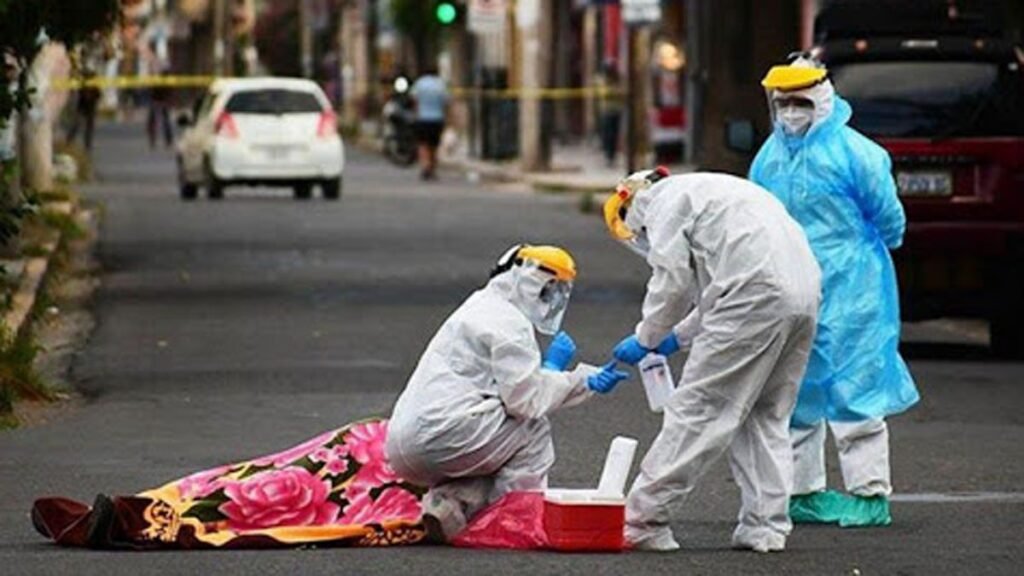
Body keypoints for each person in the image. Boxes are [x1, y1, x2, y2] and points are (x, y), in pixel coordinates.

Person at [603, 168, 822, 552]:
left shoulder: (664, 204)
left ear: (630, 204)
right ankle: (765, 527)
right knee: (765, 414)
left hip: (753, 299)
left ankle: (643, 521)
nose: (641, 239)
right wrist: (676, 337)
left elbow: (674, 282)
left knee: (698, 412)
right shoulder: (714, 191)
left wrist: (647, 337)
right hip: (802, 299)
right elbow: (722, 285)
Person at [749, 57, 919, 528]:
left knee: (855, 388)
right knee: (797, 389)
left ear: (822, 100)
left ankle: (868, 494)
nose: (790, 113)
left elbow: (889, 219)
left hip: (854, 289)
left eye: (800, 103)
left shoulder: (857, 153)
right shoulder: (770, 156)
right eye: (782, 104)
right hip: (793, 285)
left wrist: (859, 260)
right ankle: (802, 491)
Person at [386, 244, 629, 542]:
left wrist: (570, 378)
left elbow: (502, 396)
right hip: (444, 437)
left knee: (499, 441)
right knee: (531, 430)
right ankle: (511, 522)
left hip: (406, 445)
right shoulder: (510, 324)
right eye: (546, 291)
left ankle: (449, 506)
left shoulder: (479, 306)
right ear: (526, 280)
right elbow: (525, 404)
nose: (548, 301)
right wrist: (578, 379)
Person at [410, 67, 448, 180]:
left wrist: (416, 113)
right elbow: (446, 102)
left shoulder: (420, 83)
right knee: (434, 146)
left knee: (423, 144)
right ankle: (433, 168)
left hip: (423, 118)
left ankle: (425, 166)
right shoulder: (440, 84)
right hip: (437, 119)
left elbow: (414, 99)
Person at [596, 62, 624, 167]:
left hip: (616, 111)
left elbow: (621, 93)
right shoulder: (603, 81)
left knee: (614, 134)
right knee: (607, 134)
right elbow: (604, 93)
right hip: (606, 111)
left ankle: (611, 155)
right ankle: (608, 154)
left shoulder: (618, 81)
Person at [66, 70, 100, 151]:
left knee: (88, 126)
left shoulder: (95, 85)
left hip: (90, 106)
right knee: (77, 124)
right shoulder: (82, 84)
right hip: (82, 106)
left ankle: (87, 144)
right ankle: (69, 141)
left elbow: (98, 95)